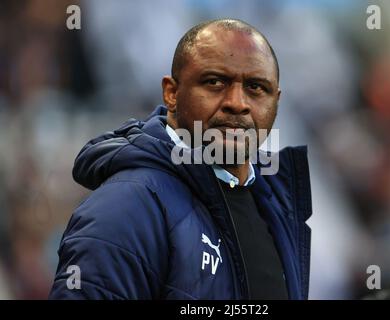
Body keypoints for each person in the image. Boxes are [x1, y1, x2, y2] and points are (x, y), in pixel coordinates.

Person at [49, 18, 312, 300]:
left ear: (276, 101)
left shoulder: (275, 207)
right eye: (214, 82)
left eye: (256, 87)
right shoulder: (126, 206)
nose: (237, 102)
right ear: (171, 93)